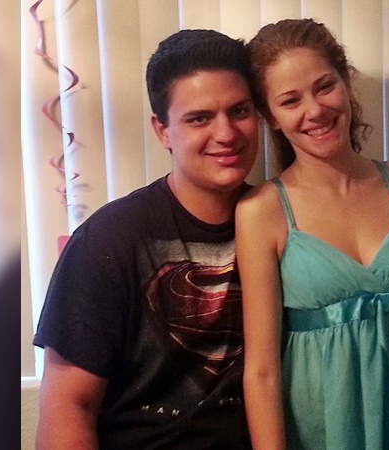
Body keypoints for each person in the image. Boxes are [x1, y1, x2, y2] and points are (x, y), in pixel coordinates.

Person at [236, 18, 389, 449]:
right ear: (271, 118)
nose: (315, 110)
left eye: (324, 86)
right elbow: (261, 371)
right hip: (324, 425)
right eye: (290, 100)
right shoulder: (262, 212)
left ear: (345, 82)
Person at [33, 29, 258, 449]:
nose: (226, 133)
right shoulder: (109, 240)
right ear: (162, 130)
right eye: (199, 118)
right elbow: (69, 406)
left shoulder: (283, 225)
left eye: (239, 111)